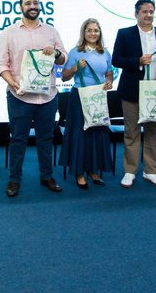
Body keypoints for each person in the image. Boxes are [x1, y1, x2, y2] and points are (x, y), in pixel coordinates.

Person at [0, 0, 66, 197]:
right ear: (21, 8)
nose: (32, 6)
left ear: (39, 6)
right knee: (18, 139)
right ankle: (14, 180)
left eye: (35, 3)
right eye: (28, 3)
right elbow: (1, 64)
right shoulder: (9, 33)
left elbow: (62, 59)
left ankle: (47, 176)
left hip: (47, 96)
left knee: (46, 139)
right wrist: (13, 83)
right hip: (19, 96)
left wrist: (55, 52)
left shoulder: (51, 32)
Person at [112, 0, 156, 188]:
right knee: (131, 132)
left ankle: (151, 171)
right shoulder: (125, 33)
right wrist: (137, 61)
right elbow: (116, 60)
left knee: (152, 132)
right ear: (136, 14)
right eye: (144, 12)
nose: (148, 15)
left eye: (151, 11)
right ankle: (130, 171)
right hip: (133, 91)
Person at [58, 18, 114, 189]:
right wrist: (75, 68)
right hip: (79, 97)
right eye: (89, 30)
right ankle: (79, 172)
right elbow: (64, 76)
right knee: (80, 135)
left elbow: (109, 73)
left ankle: (94, 170)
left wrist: (109, 82)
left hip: (98, 97)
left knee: (97, 133)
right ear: (84, 33)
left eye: (96, 30)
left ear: (100, 33)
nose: (92, 33)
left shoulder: (105, 53)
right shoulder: (75, 52)